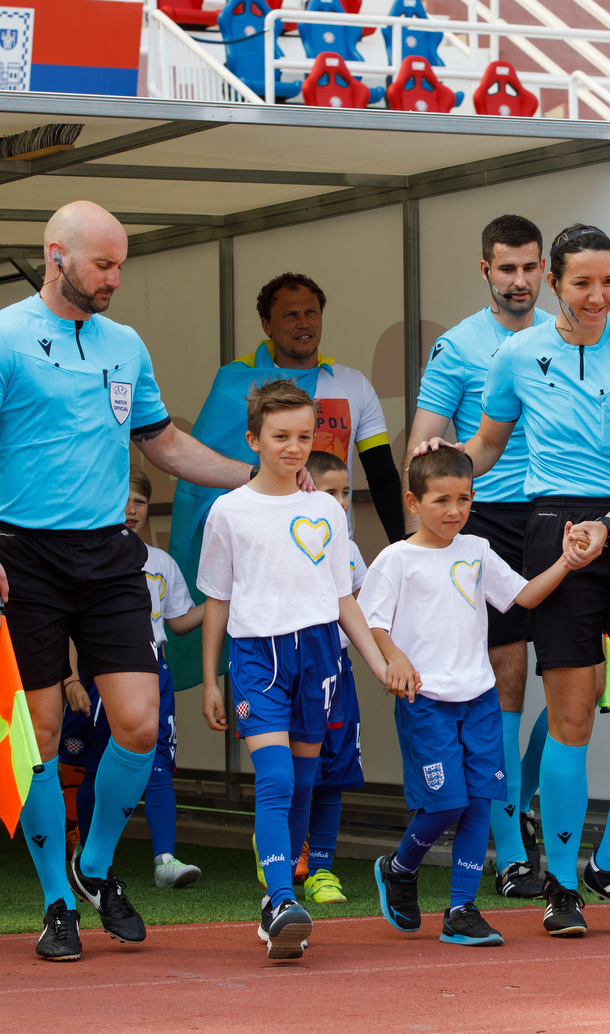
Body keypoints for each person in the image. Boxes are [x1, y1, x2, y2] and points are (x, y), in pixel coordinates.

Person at [0, 200, 260, 963]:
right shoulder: (1, 337)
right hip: (23, 557)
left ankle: (94, 868)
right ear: (57, 256)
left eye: (121, 263)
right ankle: (57, 900)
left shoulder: (125, 343)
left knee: (140, 723)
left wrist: (259, 478)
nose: (116, 278)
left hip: (109, 554)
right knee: (43, 733)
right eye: (103, 264)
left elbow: (164, 444)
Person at [421, 224, 610, 938]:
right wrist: (445, 470)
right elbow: (486, 443)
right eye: (582, 283)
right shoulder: (516, 354)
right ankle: (563, 884)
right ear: (555, 283)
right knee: (572, 720)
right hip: (555, 533)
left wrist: (609, 524)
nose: (598, 295)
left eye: (608, 281)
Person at [197, 380, 391, 961]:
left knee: (305, 782)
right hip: (258, 659)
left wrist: (380, 666)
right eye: (280, 436)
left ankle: (279, 900)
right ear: (253, 438)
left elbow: (343, 599)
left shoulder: (326, 509)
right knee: (277, 779)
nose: (294, 447)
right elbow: (218, 600)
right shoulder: (228, 511)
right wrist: (211, 679)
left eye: (305, 436)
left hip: (319, 658)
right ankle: (281, 898)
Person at [362, 447, 583, 947]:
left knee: (481, 802)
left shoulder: (477, 549)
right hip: (427, 701)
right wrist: (394, 657)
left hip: (480, 698)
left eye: (464, 498)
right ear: (413, 503)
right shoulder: (397, 558)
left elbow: (523, 595)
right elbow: (370, 620)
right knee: (445, 805)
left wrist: (566, 563)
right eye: (441, 500)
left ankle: (461, 909)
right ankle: (399, 869)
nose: (455, 510)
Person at [405, 214, 557, 900]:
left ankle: (518, 799)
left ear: (544, 271)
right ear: (485, 270)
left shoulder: (567, 337)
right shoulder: (460, 346)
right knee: (509, 677)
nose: (519, 281)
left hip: (559, 513)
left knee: (584, 674)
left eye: (530, 268)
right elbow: (422, 444)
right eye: (507, 268)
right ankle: (510, 846)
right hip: (488, 514)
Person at [168, 273, 405, 693]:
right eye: (290, 314)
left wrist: (401, 545)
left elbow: (383, 474)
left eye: (311, 311)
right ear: (266, 324)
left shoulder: (352, 384)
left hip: (328, 550)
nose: (303, 322)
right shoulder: (235, 382)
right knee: (266, 685)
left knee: (326, 687)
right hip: (262, 560)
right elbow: (200, 479)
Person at [58, 469, 205, 888]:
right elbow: (66, 626)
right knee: (96, 766)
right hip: (104, 669)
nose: (130, 509)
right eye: (121, 499)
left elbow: (178, 621)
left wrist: (224, 600)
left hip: (154, 668)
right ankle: (90, 860)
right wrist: (70, 679)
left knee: (158, 766)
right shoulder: (84, 559)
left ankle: (165, 861)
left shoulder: (161, 562)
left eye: (139, 501)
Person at [295, 450, 366, 905]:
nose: (340, 502)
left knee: (334, 773)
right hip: (292, 668)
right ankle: (281, 850)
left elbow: (361, 605)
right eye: (329, 492)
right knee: (292, 773)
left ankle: (322, 869)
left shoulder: (350, 547)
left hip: (338, 674)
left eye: (346, 493)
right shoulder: (280, 535)